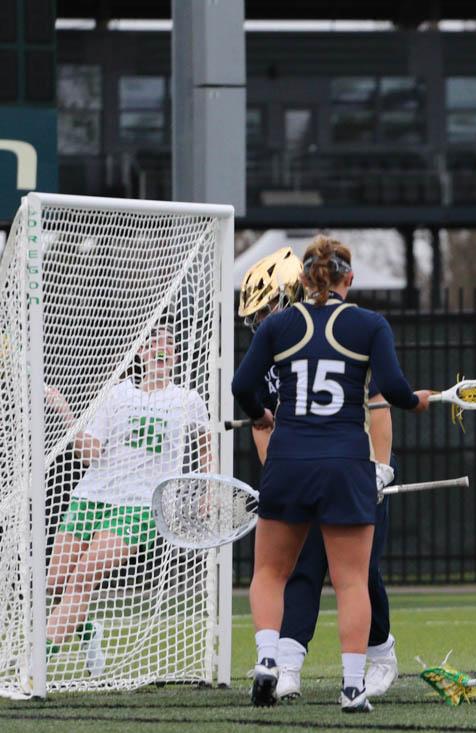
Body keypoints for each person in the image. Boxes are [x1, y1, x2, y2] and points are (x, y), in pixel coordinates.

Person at [231, 236, 430, 710]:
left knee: (269, 572)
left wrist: (260, 415)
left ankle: (267, 659)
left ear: (302, 279)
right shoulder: (368, 324)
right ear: (349, 277)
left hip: (289, 462)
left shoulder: (279, 327)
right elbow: (395, 391)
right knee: (351, 582)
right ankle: (353, 686)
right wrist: (416, 401)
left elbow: (242, 385)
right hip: (344, 463)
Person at [44, 323, 210, 676]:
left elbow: (206, 446)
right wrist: (64, 411)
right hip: (91, 497)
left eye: (168, 344)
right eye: (153, 344)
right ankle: (89, 634)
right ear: (140, 353)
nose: (161, 349)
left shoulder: (187, 400)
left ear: (176, 356)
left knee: (83, 578)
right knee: (55, 583)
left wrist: (209, 488)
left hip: (138, 507)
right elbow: (90, 453)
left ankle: (36, 664)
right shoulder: (117, 394)